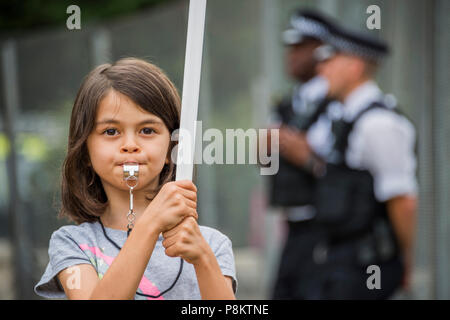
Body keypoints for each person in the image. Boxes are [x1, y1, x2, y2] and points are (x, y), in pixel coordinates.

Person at [34, 58, 237, 300]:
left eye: (147, 130)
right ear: (85, 150)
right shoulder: (73, 244)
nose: (130, 145)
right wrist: (150, 224)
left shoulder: (212, 244)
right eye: (111, 132)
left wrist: (203, 260)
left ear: (173, 150)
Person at [307, 24, 417, 299]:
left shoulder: (378, 123)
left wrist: (406, 258)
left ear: (355, 66)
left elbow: (402, 199)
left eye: (330, 60)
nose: (322, 69)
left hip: (368, 264)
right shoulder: (345, 116)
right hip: (343, 260)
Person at [267, 9, 343, 299]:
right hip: (295, 227)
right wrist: (267, 152)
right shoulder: (290, 102)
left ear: (321, 50)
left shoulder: (335, 101)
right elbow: (270, 164)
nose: (292, 55)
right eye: (290, 47)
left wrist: (304, 155)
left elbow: (344, 168)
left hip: (326, 229)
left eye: (301, 47)